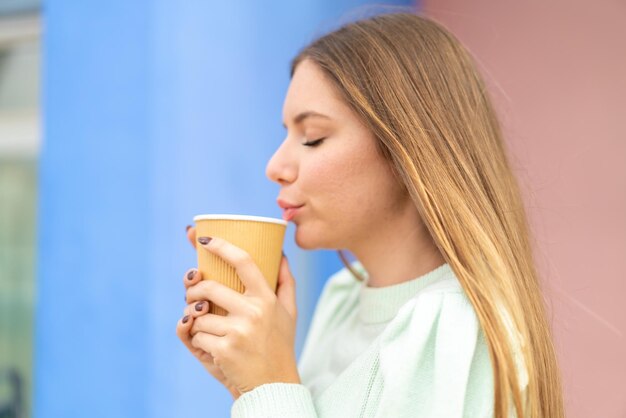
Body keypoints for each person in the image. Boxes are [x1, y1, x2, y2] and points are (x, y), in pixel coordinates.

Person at [176, 12, 564, 418]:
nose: (275, 166)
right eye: (286, 134)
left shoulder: (452, 329)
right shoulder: (342, 299)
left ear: (408, 151)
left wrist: (268, 383)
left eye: (312, 138)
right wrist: (248, 381)